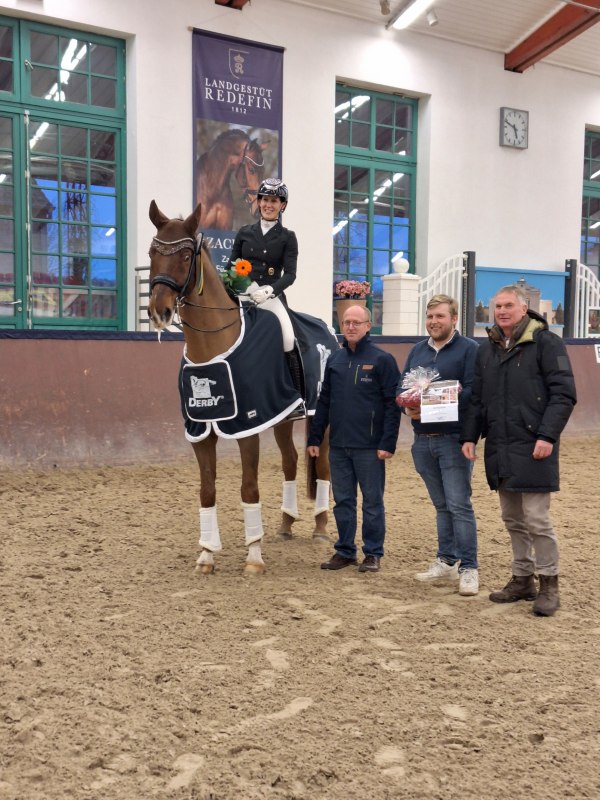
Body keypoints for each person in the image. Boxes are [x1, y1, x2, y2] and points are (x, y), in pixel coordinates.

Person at [461, 284, 577, 617]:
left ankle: (549, 583)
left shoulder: (546, 342)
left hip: (535, 446)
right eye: (497, 306)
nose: (501, 311)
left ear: (524, 308)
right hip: (500, 446)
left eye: (508, 305)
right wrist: (470, 436)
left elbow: (563, 394)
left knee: (537, 520)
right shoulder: (488, 349)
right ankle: (522, 578)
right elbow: (479, 399)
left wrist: (547, 436)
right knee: (512, 518)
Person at [307, 305, 401, 573]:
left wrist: (387, 443)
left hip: (370, 447)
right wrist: (315, 437)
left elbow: (392, 405)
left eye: (356, 322)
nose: (350, 327)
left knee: (372, 502)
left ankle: (372, 553)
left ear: (368, 326)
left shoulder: (382, 360)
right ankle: (345, 551)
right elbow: (324, 401)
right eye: (346, 322)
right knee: (343, 501)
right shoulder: (335, 360)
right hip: (338, 446)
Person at [399, 294, 480, 596]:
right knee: (441, 505)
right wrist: (407, 406)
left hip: (453, 440)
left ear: (454, 319)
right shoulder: (417, 351)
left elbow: (474, 390)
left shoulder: (470, 350)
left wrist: (431, 401)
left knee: (459, 505)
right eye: (430, 316)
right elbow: (401, 386)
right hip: (422, 440)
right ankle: (447, 560)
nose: (434, 322)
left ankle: (469, 567)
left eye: (440, 316)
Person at [229, 177, 303, 393]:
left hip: (270, 296)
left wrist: (270, 290)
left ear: (283, 206)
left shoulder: (288, 237)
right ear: (259, 202)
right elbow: (230, 266)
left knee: (288, 337)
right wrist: (235, 284)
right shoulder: (244, 232)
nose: (269, 205)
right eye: (265, 199)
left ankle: (296, 393)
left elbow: (290, 274)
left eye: (274, 200)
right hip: (243, 292)